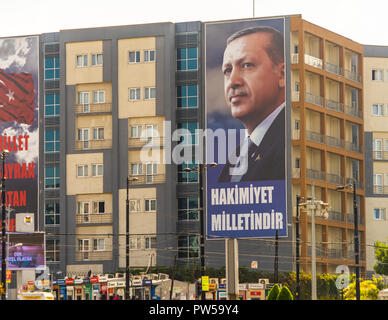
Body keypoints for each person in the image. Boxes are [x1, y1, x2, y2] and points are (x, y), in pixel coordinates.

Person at [217, 26, 286, 182]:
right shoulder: (235, 159)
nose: (233, 81)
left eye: (247, 65)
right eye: (228, 70)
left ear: (282, 74)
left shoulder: (289, 146)